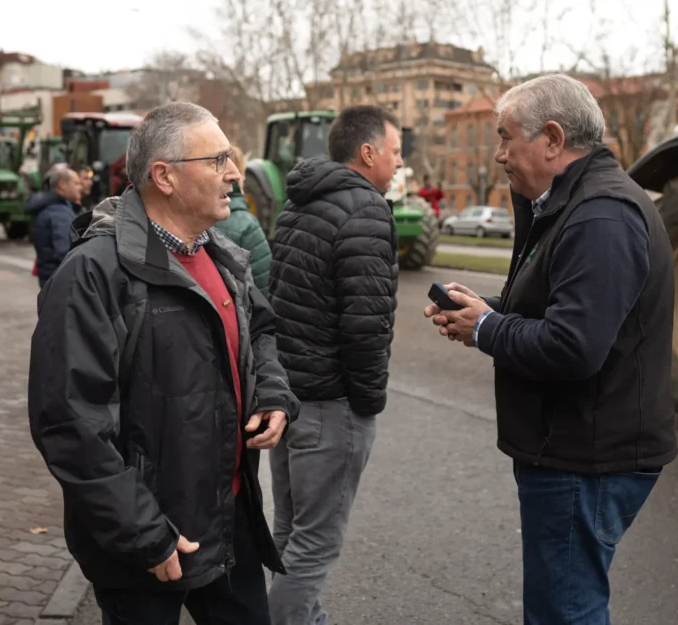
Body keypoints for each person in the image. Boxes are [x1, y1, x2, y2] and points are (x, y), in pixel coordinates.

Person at [28, 101, 298, 625]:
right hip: (147, 542)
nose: (234, 173)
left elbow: (261, 333)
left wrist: (272, 393)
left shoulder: (221, 254)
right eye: (217, 160)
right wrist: (143, 534)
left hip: (227, 522)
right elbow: (69, 424)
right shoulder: (92, 273)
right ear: (164, 177)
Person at [424, 73, 677, 625]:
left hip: (586, 456)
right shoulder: (572, 205)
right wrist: (484, 307)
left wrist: (488, 327)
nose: (497, 155)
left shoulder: (601, 215)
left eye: (505, 137)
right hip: (575, 445)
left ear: (554, 139)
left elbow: (572, 346)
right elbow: (559, 306)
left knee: (564, 610)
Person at [266, 104, 401, 625]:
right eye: (394, 153)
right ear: (367, 153)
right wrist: (366, 405)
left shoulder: (300, 203)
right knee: (314, 545)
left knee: (289, 532)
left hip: (291, 400)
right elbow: (366, 326)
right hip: (330, 406)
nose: (397, 165)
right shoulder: (365, 210)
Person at [213, 145, 272, 297]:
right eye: (243, 173)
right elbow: (263, 288)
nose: (242, 178)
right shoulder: (247, 226)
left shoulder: (191, 217)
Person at [25, 165, 81, 288]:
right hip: (62, 282)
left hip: (51, 279)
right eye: (76, 183)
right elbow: (65, 252)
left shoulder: (52, 208)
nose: (80, 187)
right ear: (62, 185)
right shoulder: (59, 213)